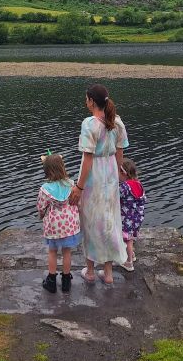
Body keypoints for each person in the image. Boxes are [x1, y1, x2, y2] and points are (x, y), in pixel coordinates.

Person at [69, 83, 128, 285]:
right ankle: (109, 273)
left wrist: (79, 186)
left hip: (94, 174)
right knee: (109, 218)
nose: (86, 102)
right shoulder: (117, 122)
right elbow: (120, 152)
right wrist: (116, 170)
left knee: (91, 220)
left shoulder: (90, 124)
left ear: (92, 101)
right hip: (110, 173)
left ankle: (91, 271)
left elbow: (87, 158)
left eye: (86, 99)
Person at [37, 153, 81, 293]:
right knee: (67, 252)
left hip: (53, 227)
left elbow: (41, 207)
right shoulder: (72, 184)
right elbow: (77, 202)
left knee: (52, 252)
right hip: (69, 225)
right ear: (63, 167)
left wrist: (41, 215)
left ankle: (51, 281)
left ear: (47, 171)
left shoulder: (45, 189)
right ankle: (66, 281)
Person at [118, 158, 146, 271]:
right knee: (131, 238)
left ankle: (129, 263)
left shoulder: (125, 186)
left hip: (127, 218)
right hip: (138, 218)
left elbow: (116, 196)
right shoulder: (139, 184)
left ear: (123, 173)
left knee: (128, 240)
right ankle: (132, 255)